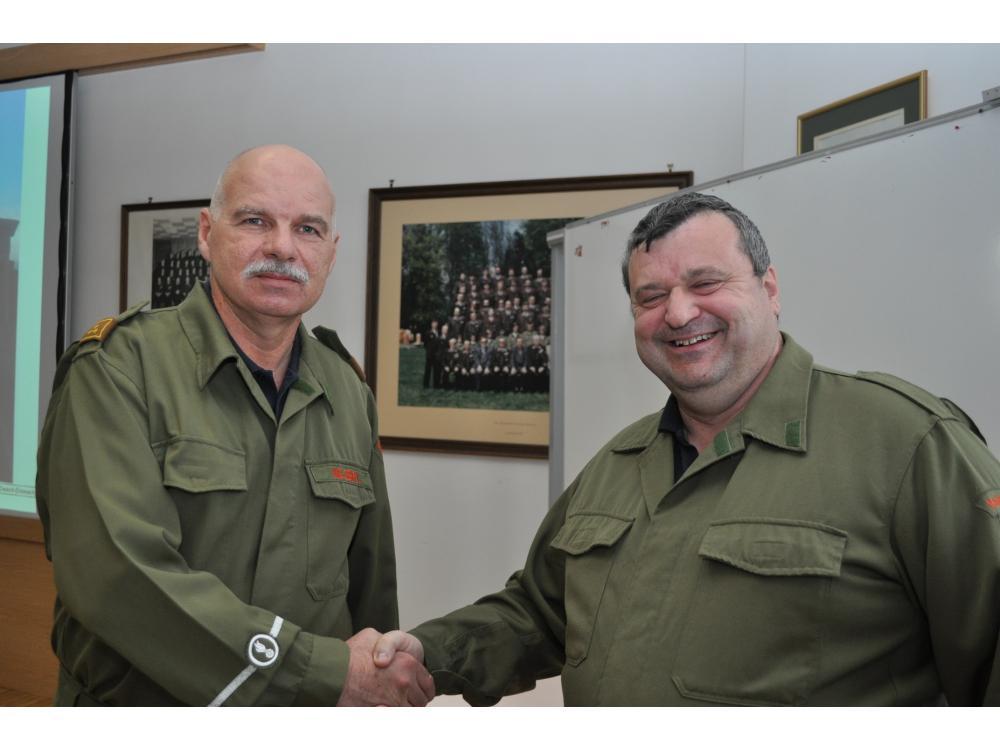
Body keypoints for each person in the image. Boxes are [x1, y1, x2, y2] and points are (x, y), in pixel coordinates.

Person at [372, 191, 1000, 706]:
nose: (677, 314)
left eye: (706, 282)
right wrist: (425, 653)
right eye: (650, 297)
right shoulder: (617, 465)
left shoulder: (905, 443)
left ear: (770, 289)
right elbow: (538, 614)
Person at [35, 145, 434, 707]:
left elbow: (371, 590)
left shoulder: (349, 392)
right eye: (255, 221)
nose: (282, 247)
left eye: (308, 229)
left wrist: (373, 681)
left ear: (331, 251)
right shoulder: (118, 371)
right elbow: (118, 578)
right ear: (206, 233)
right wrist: (324, 672)